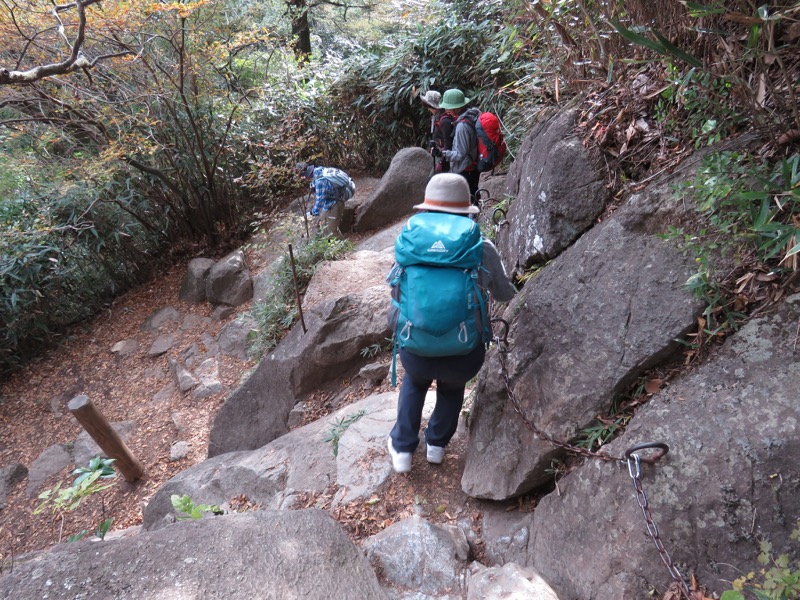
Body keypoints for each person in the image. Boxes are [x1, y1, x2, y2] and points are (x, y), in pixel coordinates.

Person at [386, 173, 517, 474]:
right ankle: (436, 445)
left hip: (415, 343)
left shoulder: (409, 242)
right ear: (465, 209)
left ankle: (403, 448)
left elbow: (395, 289)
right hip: (463, 346)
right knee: (452, 388)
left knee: (415, 383)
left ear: (426, 209)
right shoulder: (480, 246)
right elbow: (503, 292)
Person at [438, 88, 481, 202]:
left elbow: (460, 154)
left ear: (456, 107)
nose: (446, 110)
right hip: (472, 168)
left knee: (466, 204)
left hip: (466, 170)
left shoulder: (462, 126)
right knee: (472, 199)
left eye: (448, 107)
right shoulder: (473, 115)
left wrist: (443, 154)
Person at [296, 162, 354, 236]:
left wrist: (311, 213)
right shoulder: (318, 170)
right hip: (328, 204)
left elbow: (320, 201)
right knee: (322, 227)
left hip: (335, 204)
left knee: (332, 232)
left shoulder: (320, 181)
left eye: (303, 176)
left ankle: (346, 247)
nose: (302, 178)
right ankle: (329, 246)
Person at [419, 90, 453, 173]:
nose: (427, 108)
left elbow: (448, 143)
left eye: (427, 105)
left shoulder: (445, 121)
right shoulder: (437, 117)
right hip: (439, 155)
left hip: (444, 158)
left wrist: (443, 160)